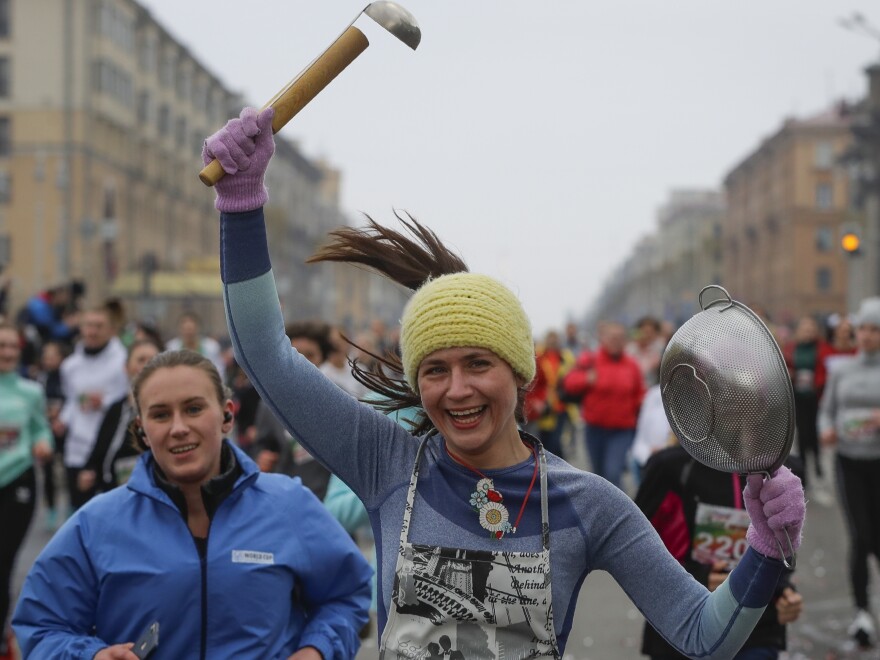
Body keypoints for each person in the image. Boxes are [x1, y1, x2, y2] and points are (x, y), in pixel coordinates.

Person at [203, 106, 807, 657]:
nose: (457, 389)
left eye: (478, 365)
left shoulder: (591, 505)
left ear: (521, 375)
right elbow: (265, 354)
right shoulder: (387, 463)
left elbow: (704, 636)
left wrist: (763, 548)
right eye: (434, 370)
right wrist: (242, 201)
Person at [13, 349, 372, 659]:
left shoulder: (289, 506)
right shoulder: (96, 524)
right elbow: (41, 626)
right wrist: (90, 655)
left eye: (194, 408)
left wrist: (317, 650)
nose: (179, 427)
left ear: (227, 416)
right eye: (160, 415)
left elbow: (348, 595)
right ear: (141, 430)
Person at [635, 446, 805, 659]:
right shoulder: (670, 467)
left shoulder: (784, 470)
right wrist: (699, 577)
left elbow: (782, 544)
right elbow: (635, 558)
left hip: (757, 629)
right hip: (685, 631)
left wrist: (783, 591)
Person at [818, 296, 880, 649]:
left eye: (874, 330)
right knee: (861, 536)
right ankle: (861, 612)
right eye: (863, 329)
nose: (867, 336)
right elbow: (827, 411)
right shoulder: (842, 369)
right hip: (849, 463)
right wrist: (827, 429)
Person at [0, 322, 53, 660]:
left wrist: (43, 444)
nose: (6, 353)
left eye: (11, 348)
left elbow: (40, 429)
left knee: (3, 563)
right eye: (1, 347)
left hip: (17, 481)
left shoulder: (30, 391)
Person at [57, 304, 129, 510]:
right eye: (88, 325)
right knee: (79, 513)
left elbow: (128, 403)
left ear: (111, 329)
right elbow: (71, 401)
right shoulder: (70, 365)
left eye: (99, 326)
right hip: (77, 450)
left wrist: (104, 402)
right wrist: (63, 419)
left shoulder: (122, 362)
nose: (93, 331)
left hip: (109, 450)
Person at [562, 320, 645, 490]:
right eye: (612, 337)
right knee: (598, 476)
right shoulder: (591, 359)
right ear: (604, 339)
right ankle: (603, 512)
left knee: (613, 473)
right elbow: (569, 382)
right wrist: (587, 379)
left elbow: (640, 394)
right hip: (595, 429)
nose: (616, 341)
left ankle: (618, 512)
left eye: (620, 338)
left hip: (621, 430)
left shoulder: (632, 365)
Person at [77, 338, 162, 494]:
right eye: (141, 360)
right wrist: (89, 469)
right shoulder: (117, 407)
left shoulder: (168, 407)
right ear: (126, 367)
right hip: (114, 490)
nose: (147, 365)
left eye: (153, 359)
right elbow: (101, 444)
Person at [783, 315, 832, 487]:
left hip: (817, 397)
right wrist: (790, 374)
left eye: (811, 329)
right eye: (805, 329)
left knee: (814, 433)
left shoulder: (822, 348)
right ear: (798, 331)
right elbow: (784, 367)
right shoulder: (790, 348)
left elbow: (828, 368)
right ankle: (804, 471)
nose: (808, 332)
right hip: (798, 397)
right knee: (803, 435)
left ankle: (817, 462)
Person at [166, 311, 226, 380]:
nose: (188, 333)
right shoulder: (171, 347)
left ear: (198, 328)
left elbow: (219, 372)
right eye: (185, 330)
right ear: (180, 329)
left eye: (191, 330)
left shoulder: (212, 347)